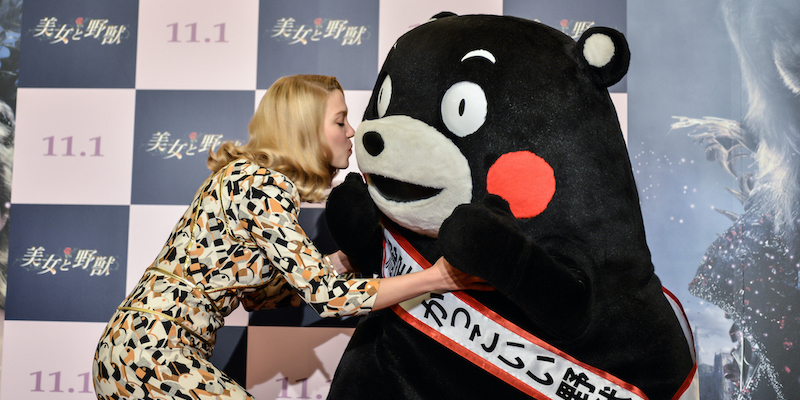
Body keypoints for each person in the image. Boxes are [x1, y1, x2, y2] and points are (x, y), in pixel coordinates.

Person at [92, 75, 486, 400]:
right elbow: (331, 300)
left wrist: (343, 260)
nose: (351, 132)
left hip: (134, 351)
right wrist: (439, 278)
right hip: (151, 353)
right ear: (305, 129)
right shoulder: (264, 185)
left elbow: (258, 297)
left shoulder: (246, 177)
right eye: (339, 121)